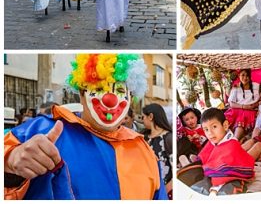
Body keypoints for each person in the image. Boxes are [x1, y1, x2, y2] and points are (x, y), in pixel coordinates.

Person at [4, 54, 167, 199]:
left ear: (130, 97)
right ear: (81, 93)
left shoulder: (144, 151)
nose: (110, 99)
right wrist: (10, 164)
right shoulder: (42, 130)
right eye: (98, 88)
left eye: (119, 90)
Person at [190, 108, 255, 196]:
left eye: (214, 127)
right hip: (215, 175)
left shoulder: (232, 144)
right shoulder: (213, 141)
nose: (210, 133)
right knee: (198, 187)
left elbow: (228, 168)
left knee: (228, 191)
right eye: (206, 129)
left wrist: (215, 188)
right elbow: (205, 155)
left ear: (225, 125)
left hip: (232, 176)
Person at [142, 104, 173, 198]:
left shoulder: (168, 138)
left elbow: (175, 171)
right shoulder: (143, 138)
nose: (142, 120)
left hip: (164, 193)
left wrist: (164, 192)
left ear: (150, 116)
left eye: (143, 117)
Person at [223, 69, 259, 142]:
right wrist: (244, 106)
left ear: (250, 77)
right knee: (223, 124)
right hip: (236, 111)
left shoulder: (257, 86)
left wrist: (256, 104)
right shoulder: (236, 87)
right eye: (243, 75)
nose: (245, 78)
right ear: (239, 76)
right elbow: (231, 103)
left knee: (241, 120)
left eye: (247, 75)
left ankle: (234, 141)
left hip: (251, 112)